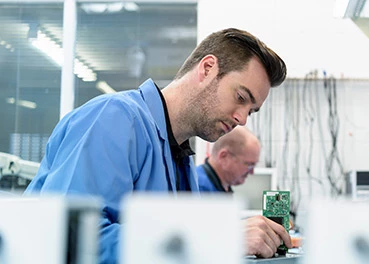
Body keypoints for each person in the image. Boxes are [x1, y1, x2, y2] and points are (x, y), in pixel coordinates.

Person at [24, 28, 291, 263]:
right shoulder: (115, 118)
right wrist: (219, 239)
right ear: (208, 69)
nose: (242, 118)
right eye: (241, 97)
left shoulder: (180, 157)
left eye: (251, 111)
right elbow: (69, 241)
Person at [197, 126, 260, 193]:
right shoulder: (197, 190)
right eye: (249, 164)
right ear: (224, 157)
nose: (252, 172)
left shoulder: (221, 188)